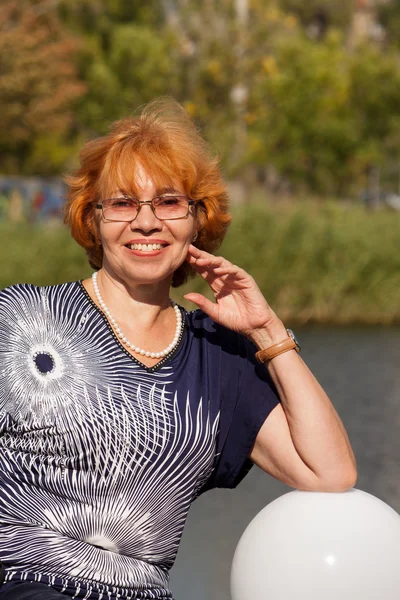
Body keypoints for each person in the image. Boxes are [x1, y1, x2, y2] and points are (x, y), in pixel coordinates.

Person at [0, 98, 357, 600]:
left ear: (196, 221)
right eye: (122, 203)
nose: (146, 223)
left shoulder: (220, 359)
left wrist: (267, 330)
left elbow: (330, 473)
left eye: (169, 202)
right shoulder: (16, 321)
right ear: (93, 220)